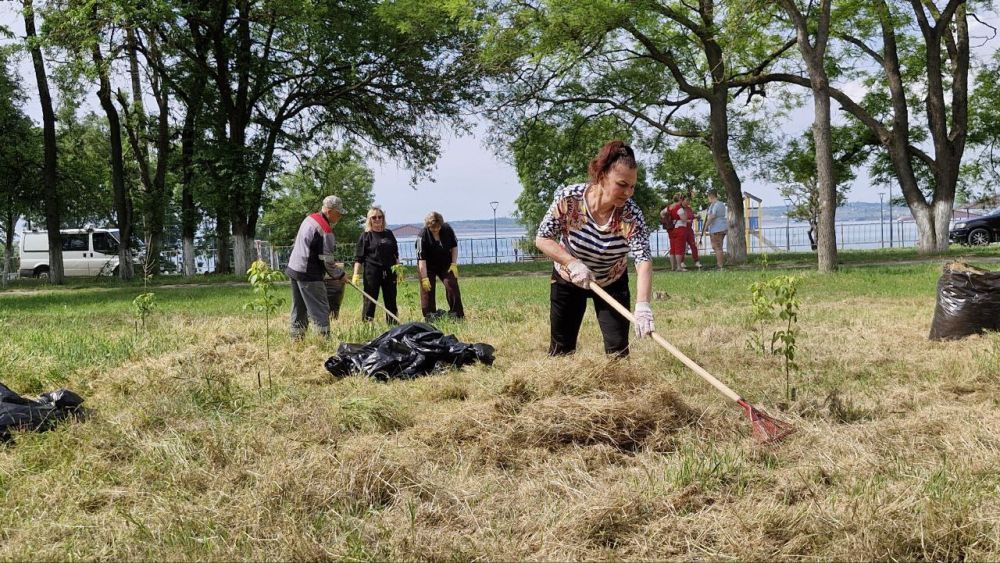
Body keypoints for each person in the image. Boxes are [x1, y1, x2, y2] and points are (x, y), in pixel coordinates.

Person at [535, 140, 655, 357]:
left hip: (611, 281)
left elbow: (643, 260)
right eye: (621, 184)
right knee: (561, 350)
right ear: (601, 177)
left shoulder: (631, 215)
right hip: (569, 279)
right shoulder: (570, 198)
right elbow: (543, 238)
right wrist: (572, 262)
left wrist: (643, 306)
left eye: (632, 186)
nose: (628, 192)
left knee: (618, 352)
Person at [285, 195, 344, 339]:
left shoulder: (309, 218)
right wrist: (340, 275)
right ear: (330, 211)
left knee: (299, 308)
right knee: (320, 308)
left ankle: (296, 339)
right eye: (339, 213)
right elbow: (328, 260)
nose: (340, 216)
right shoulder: (325, 230)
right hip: (309, 273)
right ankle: (323, 339)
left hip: (295, 268)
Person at [352, 207, 402, 323]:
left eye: (380, 217)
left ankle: (392, 324)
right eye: (374, 217)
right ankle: (367, 325)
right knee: (370, 300)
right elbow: (358, 258)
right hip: (372, 273)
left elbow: (396, 254)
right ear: (369, 219)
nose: (377, 219)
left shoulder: (389, 233)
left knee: (391, 300)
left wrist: (399, 271)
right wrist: (356, 275)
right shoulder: (365, 236)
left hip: (390, 272)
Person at [416, 211, 465, 320]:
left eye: (438, 227)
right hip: (427, 266)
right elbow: (421, 260)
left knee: (451, 285)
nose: (436, 230)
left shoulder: (447, 229)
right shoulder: (422, 235)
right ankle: (430, 316)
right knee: (427, 290)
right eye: (433, 228)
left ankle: (457, 314)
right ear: (428, 226)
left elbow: (454, 247)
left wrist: (453, 263)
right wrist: (424, 278)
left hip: (445, 264)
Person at [701, 189, 728, 270]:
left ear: (711, 196)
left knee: (717, 247)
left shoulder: (715, 205)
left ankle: (720, 265)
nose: (708, 199)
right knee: (716, 246)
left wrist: (705, 227)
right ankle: (719, 264)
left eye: (708, 197)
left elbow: (712, 217)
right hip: (722, 227)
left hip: (716, 228)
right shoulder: (721, 204)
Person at [665, 193, 689, 271]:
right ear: (680, 199)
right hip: (680, 228)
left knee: (673, 249)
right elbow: (684, 218)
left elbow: (661, 213)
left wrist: (668, 219)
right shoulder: (679, 208)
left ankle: (673, 267)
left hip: (671, 229)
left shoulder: (669, 207)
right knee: (679, 248)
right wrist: (688, 218)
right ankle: (679, 267)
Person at [681, 193, 702, 269]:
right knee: (682, 246)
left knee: (693, 245)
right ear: (682, 200)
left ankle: (697, 261)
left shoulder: (689, 208)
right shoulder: (680, 209)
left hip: (689, 230)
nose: (688, 202)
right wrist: (687, 220)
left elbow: (692, 215)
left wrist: (696, 216)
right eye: (687, 200)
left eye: (689, 200)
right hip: (682, 230)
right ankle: (681, 262)